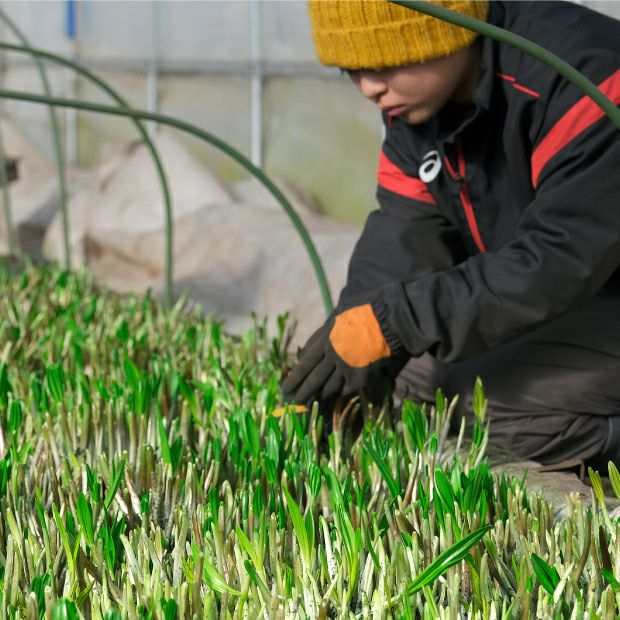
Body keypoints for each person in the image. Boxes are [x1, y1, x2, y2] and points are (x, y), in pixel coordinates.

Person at [281, 0, 620, 468]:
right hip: (572, 304)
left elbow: (560, 258)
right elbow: (405, 234)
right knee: (408, 382)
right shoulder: (421, 106)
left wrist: (398, 320)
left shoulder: (583, 78)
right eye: (350, 70)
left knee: (483, 413)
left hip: (588, 288)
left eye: (383, 62)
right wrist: (350, 340)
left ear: (440, 32)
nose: (369, 88)